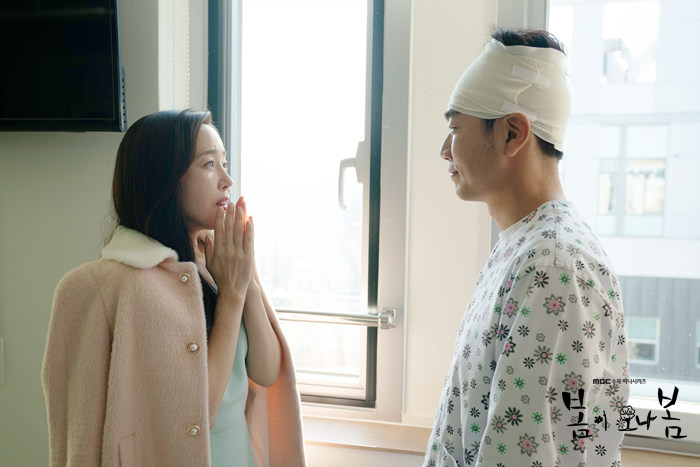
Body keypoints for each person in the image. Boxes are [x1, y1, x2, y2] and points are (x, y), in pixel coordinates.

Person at [41, 109, 306, 467]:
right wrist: (231, 298)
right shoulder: (117, 287)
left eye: (225, 163)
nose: (227, 180)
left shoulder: (221, 264)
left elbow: (266, 370)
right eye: (209, 164)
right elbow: (196, 418)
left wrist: (246, 283)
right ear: (164, 178)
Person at [423, 29, 629, 467]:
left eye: (455, 128)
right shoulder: (525, 245)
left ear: (512, 133)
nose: (444, 150)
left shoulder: (553, 267)